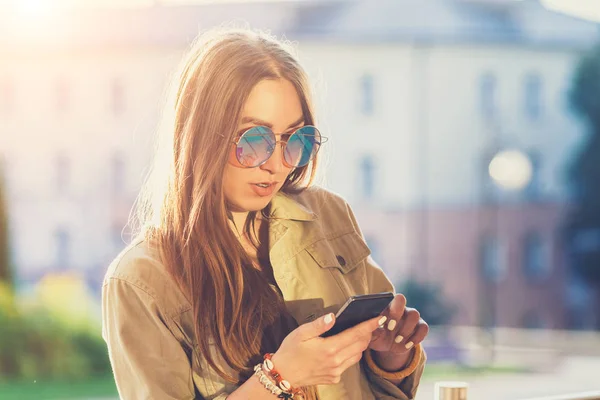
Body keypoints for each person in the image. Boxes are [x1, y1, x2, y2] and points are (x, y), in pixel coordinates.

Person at [102, 27, 429, 400]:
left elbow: (376, 383)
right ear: (200, 136)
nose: (276, 165)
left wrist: (391, 356)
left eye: (295, 140)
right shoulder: (141, 280)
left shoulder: (327, 213)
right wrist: (278, 377)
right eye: (254, 139)